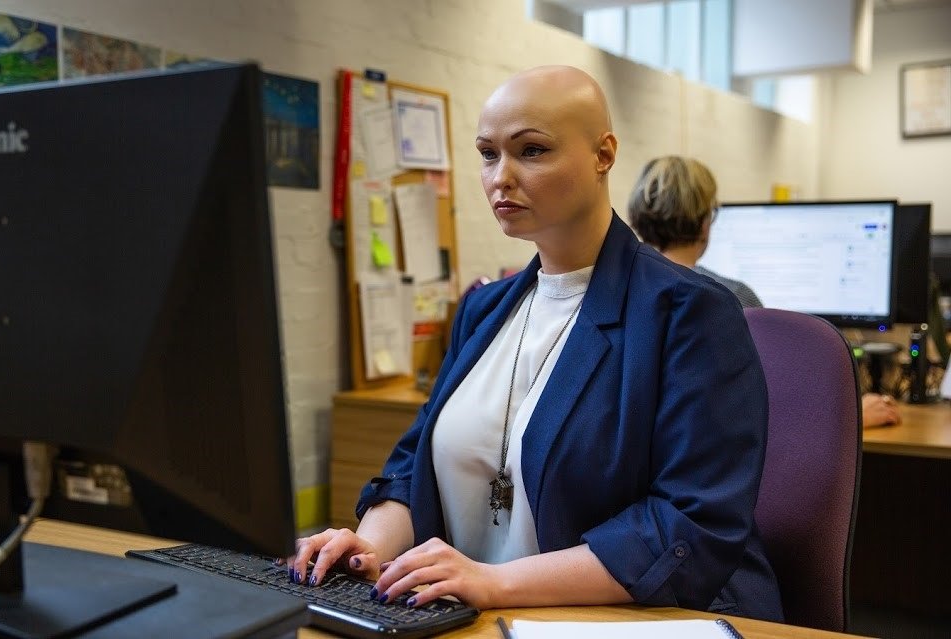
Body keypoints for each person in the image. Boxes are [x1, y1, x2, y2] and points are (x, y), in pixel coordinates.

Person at [288, 65, 783, 621]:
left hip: (633, 618)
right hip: (469, 614)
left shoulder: (689, 312)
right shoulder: (483, 308)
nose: (501, 176)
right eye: (486, 153)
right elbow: (415, 462)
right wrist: (371, 547)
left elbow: (688, 527)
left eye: (532, 151)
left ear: (603, 155)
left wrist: (494, 582)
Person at [627, 155, 901, 428]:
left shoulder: (616, 287)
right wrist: (854, 417)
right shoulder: (731, 296)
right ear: (704, 223)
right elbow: (776, 406)